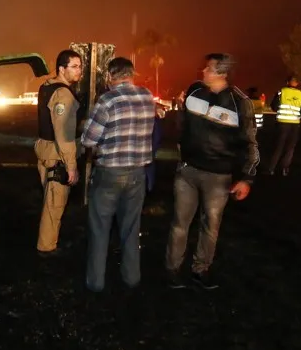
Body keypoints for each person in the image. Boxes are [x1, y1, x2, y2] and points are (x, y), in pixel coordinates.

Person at [166, 53, 259, 290]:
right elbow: (182, 124)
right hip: (187, 171)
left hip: (218, 177)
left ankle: (201, 269)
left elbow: (250, 142)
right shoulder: (195, 91)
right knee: (179, 224)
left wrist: (247, 177)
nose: (203, 72)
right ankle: (173, 269)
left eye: (208, 69)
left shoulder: (240, 102)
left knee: (211, 226)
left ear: (222, 73)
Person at [80, 57, 155, 292]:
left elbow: (89, 139)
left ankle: (95, 282)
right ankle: (131, 278)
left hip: (109, 173)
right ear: (131, 74)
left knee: (100, 228)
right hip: (137, 173)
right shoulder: (147, 97)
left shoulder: (108, 100)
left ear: (110, 76)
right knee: (131, 228)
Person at [34, 49, 83, 256]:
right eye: (74, 66)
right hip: (56, 153)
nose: (79, 71)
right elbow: (64, 134)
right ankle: (47, 247)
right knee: (55, 203)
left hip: (46, 148)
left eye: (80, 66)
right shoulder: (62, 93)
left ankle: (48, 242)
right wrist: (71, 166)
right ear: (62, 69)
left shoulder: (46, 86)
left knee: (50, 200)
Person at [265, 75, 301, 176]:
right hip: (295, 124)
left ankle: (271, 169)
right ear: (297, 83)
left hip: (282, 123)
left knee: (279, 146)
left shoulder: (281, 92)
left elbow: (274, 106)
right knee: (290, 148)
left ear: (287, 82)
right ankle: (284, 169)